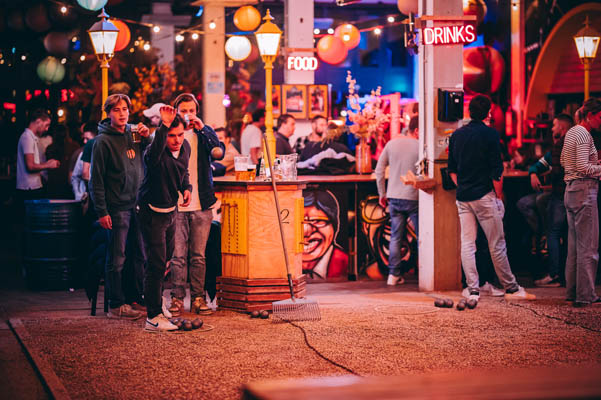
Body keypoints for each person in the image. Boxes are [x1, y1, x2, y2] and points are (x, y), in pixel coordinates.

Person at [447, 94, 535, 303]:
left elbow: (451, 170)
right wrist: (498, 197)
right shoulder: (491, 135)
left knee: (468, 244)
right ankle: (511, 288)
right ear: (488, 113)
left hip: (463, 198)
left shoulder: (457, 135)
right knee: (496, 243)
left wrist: (464, 187)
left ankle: (472, 289)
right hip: (485, 196)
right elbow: (497, 172)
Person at [89, 94, 150, 320]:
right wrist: (102, 211)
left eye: (125, 109)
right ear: (108, 113)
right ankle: (116, 305)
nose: (122, 113)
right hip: (116, 207)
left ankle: (134, 298)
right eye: (117, 110)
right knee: (117, 258)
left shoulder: (133, 133)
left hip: (136, 205)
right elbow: (96, 180)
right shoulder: (102, 142)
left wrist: (148, 136)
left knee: (138, 255)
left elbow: (151, 151)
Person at [168, 93, 224, 316]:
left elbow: (218, 151)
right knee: (178, 255)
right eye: (183, 110)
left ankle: (199, 298)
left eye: (191, 110)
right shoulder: (171, 134)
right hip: (177, 203)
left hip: (202, 202)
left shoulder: (203, 133)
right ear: (176, 111)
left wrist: (203, 129)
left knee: (199, 255)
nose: (188, 114)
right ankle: (177, 298)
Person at [138, 106, 191, 331]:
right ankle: (153, 316)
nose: (177, 140)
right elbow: (151, 157)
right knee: (156, 264)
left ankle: (157, 302)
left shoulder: (185, 147)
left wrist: (186, 187)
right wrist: (163, 127)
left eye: (180, 135)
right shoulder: (156, 150)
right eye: (172, 136)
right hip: (151, 211)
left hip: (171, 210)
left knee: (166, 261)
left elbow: (183, 171)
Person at [560, 97, 601, 308]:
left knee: (574, 246)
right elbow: (584, 167)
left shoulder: (571, 132)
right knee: (589, 247)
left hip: (570, 190)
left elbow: (563, 161)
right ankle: (585, 295)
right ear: (591, 115)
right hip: (585, 189)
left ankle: (572, 291)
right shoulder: (585, 135)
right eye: (600, 117)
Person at [524, 114, 573, 287]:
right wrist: (533, 173)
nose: (552, 129)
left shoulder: (560, 147)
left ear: (562, 129)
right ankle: (567, 276)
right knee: (567, 235)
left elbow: (554, 172)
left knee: (552, 232)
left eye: (554, 126)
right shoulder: (573, 145)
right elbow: (536, 166)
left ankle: (554, 274)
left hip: (560, 196)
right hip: (573, 198)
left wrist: (538, 175)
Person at [375, 115, 419, 286]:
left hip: (393, 196)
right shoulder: (420, 146)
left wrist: (382, 194)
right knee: (423, 236)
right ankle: (425, 272)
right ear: (416, 130)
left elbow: (379, 171)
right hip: (414, 197)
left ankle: (393, 275)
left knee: (395, 236)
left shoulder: (391, 144)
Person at [302, 189, 349, 279]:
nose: (306, 231)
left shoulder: (344, 263)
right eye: (296, 222)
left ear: (335, 226)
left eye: (318, 221)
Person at [16, 110, 59, 203]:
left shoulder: (31, 137)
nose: (47, 129)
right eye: (46, 125)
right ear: (38, 121)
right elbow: (30, 166)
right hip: (29, 188)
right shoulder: (27, 137)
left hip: (33, 186)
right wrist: (48, 165)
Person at [71, 123, 98, 201]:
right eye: (84, 138)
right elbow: (75, 177)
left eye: (88, 139)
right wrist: (78, 195)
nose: (85, 142)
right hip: (86, 199)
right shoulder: (82, 155)